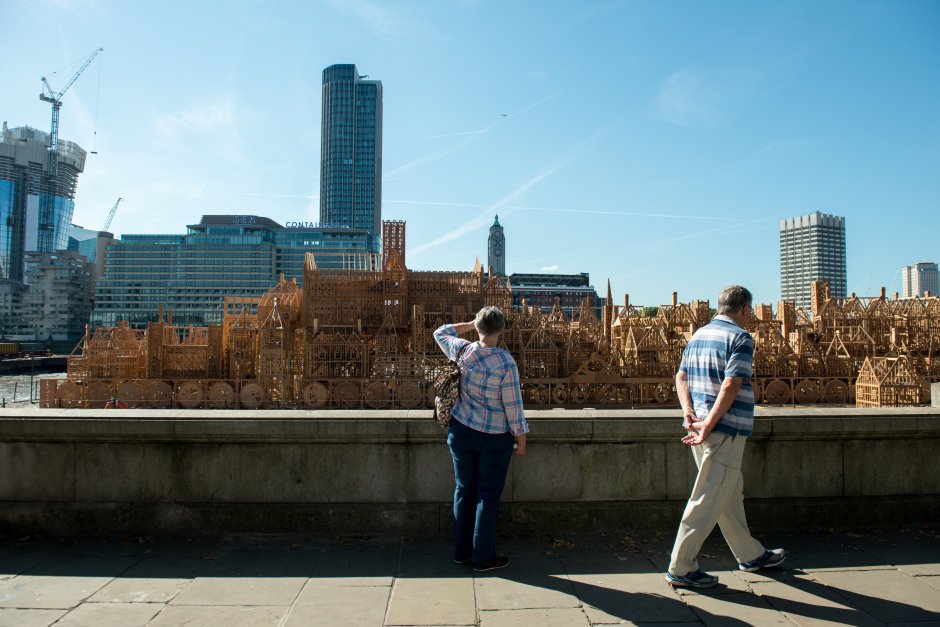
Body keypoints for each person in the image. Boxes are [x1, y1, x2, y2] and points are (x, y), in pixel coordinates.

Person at [665, 285, 785, 588]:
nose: (752, 315)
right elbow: (732, 384)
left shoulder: (698, 335)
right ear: (744, 308)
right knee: (706, 498)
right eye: (751, 310)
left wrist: (688, 412)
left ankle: (750, 554)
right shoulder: (740, 337)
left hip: (700, 428)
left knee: (729, 494)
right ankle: (680, 568)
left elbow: (681, 376)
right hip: (724, 429)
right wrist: (710, 424)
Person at [434, 306, 528, 572]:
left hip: (461, 430)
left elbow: (440, 332)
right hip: (494, 437)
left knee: (464, 490)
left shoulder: (464, 350)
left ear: (477, 327)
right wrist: (521, 439)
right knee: (487, 496)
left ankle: (461, 552)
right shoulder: (505, 362)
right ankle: (483, 556)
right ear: (502, 330)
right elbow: (513, 406)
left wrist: (469, 323)